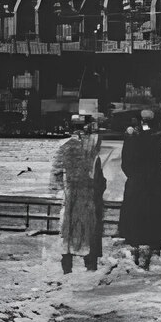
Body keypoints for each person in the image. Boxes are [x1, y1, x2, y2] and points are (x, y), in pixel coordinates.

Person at [50, 113, 105, 273]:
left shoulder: (65, 146)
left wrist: (60, 189)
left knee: (69, 228)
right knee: (88, 228)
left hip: (71, 194)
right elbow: (98, 175)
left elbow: (56, 172)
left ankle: (67, 265)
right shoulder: (92, 148)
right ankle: (90, 264)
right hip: (87, 194)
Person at [118, 109, 161, 269]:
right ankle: (152, 252)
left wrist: (133, 176)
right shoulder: (158, 138)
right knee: (153, 218)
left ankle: (136, 252)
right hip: (153, 184)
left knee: (135, 218)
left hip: (136, 183)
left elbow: (125, 163)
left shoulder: (132, 137)